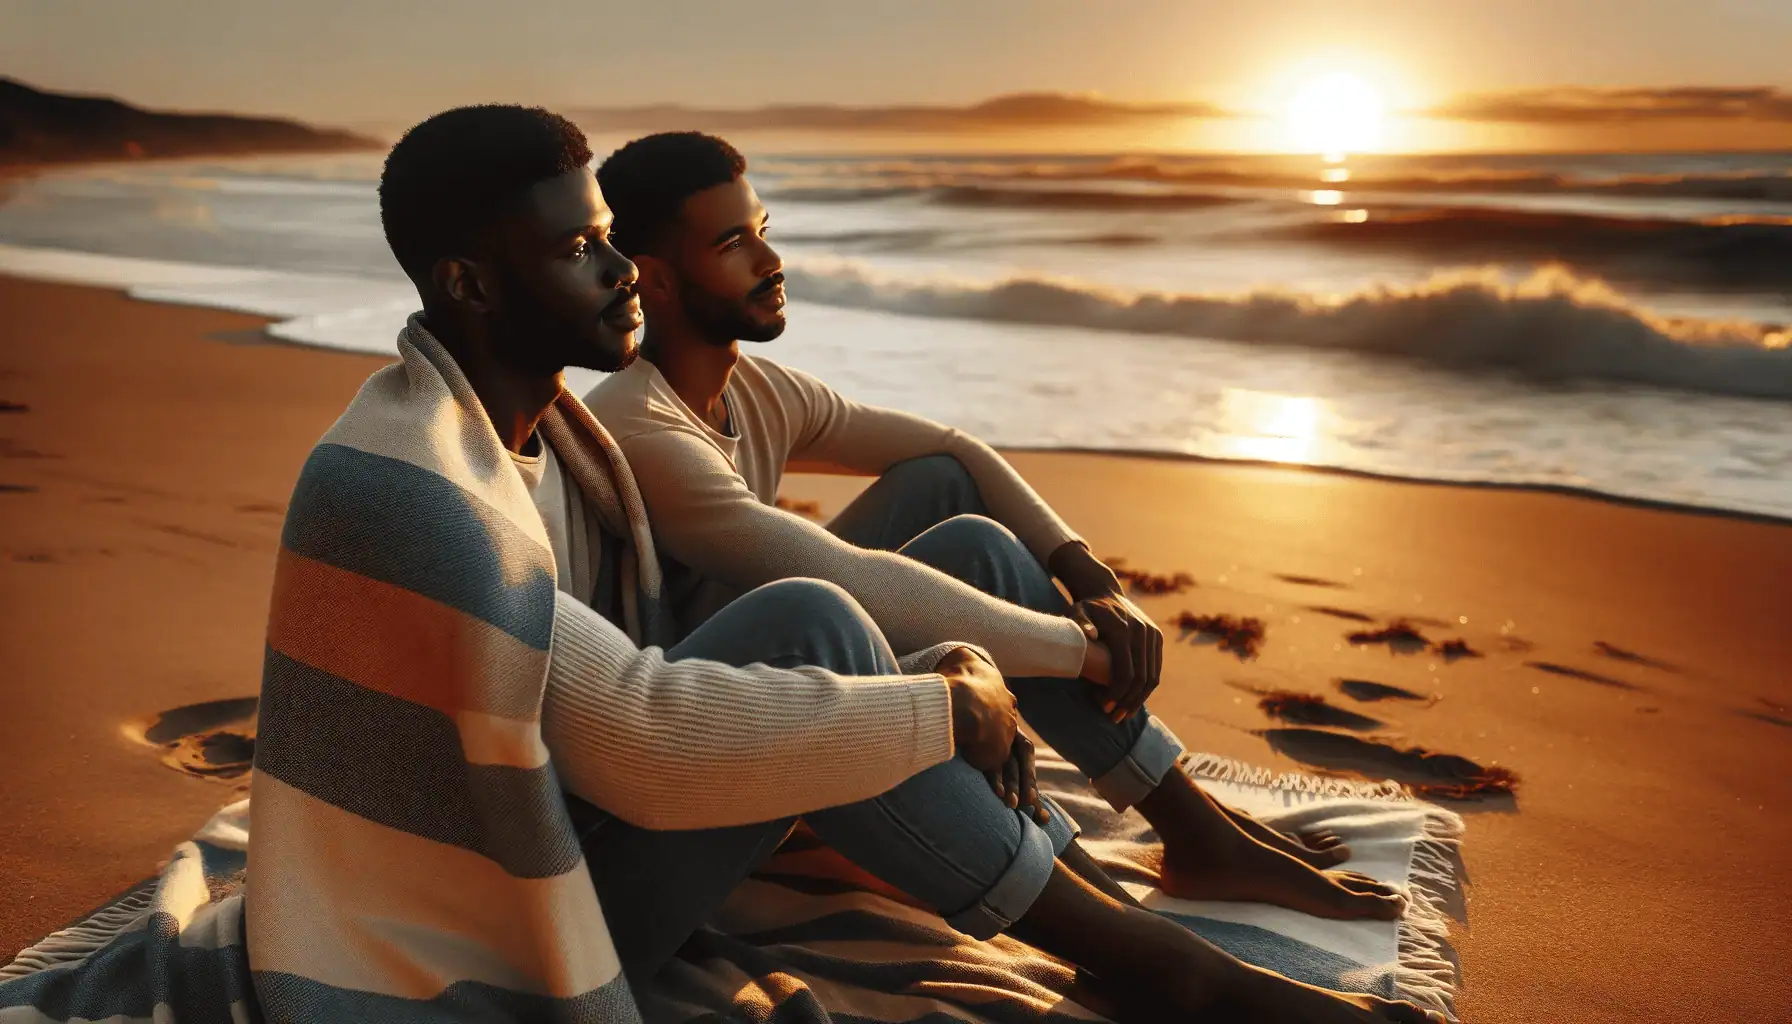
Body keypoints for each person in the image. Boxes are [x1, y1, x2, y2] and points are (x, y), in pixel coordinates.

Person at [247, 104, 1440, 1024]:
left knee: (857, 607)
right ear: (468, 283)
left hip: (566, 822)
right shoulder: (423, 489)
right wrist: (942, 708)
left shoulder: (539, 430)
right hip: (496, 919)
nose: (620, 277)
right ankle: (1165, 972)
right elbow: (649, 746)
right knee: (818, 620)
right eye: (579, 250)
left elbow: (926, 470)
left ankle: (1140, 903)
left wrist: (997, 629)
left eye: (612, 243)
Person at [585, 131, 1397, 924]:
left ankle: (1192, 831)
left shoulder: (760, 391)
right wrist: (1083, 652)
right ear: (653, 279)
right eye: (734, 244)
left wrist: (1088, 578)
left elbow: (954, 450)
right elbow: (843, 578)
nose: (771, 263)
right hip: (732, 748)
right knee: (841, 597)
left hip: (805, 693)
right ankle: (1102, 897)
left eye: (765, 232)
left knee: (954, 506)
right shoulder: (636, 423)